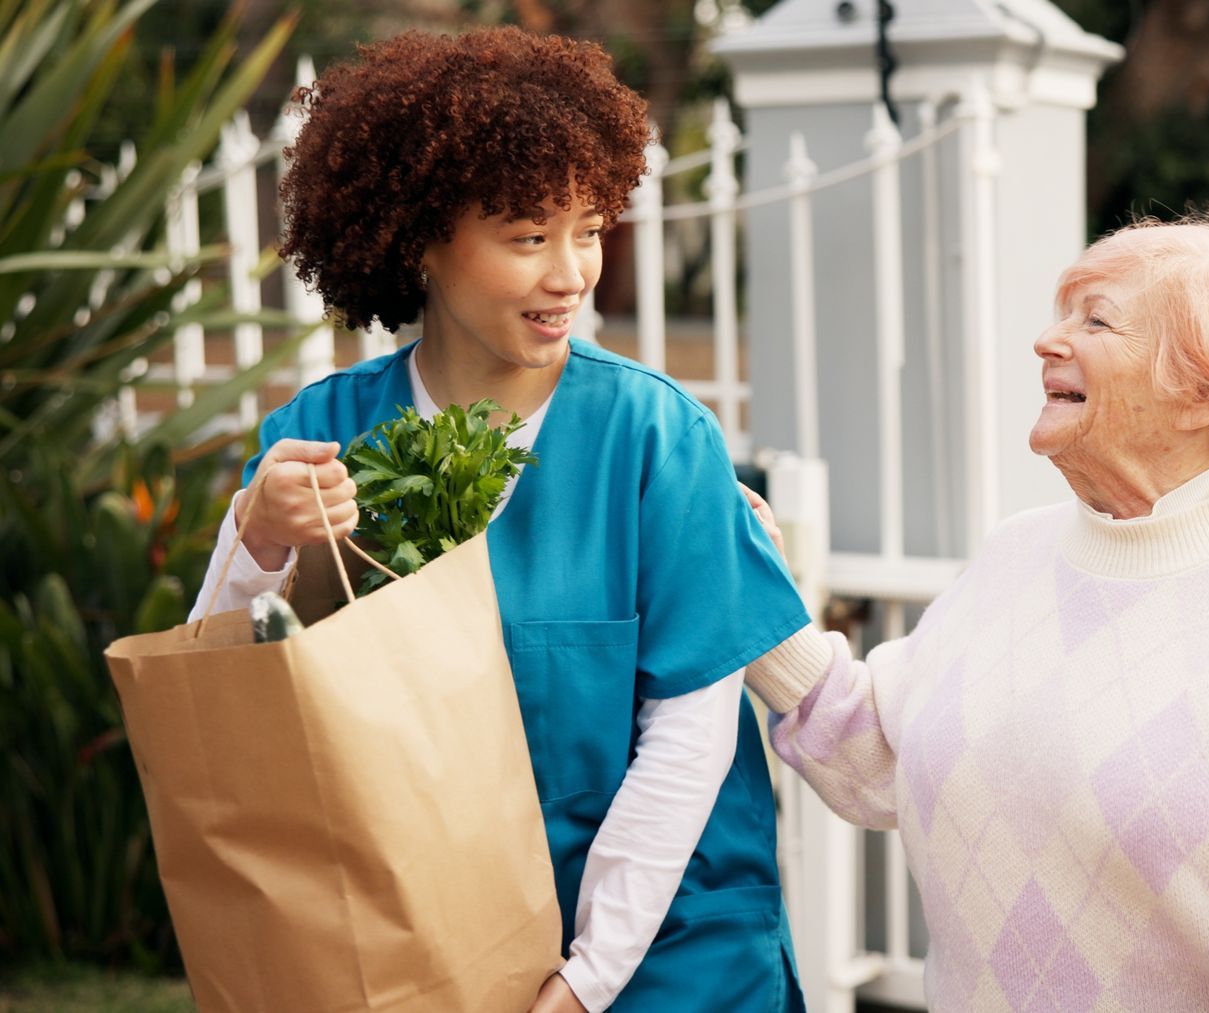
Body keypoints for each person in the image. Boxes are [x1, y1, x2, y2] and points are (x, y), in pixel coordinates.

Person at [187, 28, 811, 1012]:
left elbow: (690, 739)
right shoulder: (321, 433)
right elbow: (223, 697)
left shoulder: (655, 437)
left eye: (591, 228)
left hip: (665, 956)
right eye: (529, 236)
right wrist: (258, 535)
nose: (571, 272)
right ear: (422, 237)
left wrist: (585, 980)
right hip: (421, 946)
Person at [741, 207, 1209, 1011]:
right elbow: (876, 757)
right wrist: (742, 582)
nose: (1049, 340)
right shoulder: (1016, 555)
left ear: (1206, 390)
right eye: (1063, 312)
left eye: (1098, 320)